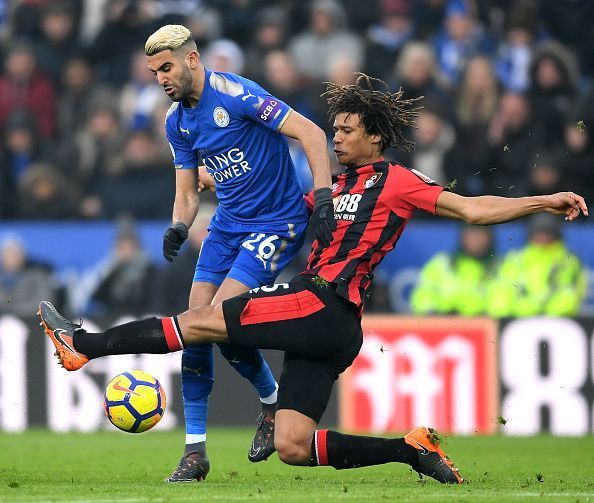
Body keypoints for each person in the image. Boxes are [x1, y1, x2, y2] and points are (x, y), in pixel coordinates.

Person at [38, 73, 588, 485]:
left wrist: (541, 201)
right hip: (326, 327)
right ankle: (410, 449)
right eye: (335, 130)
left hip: (323, 304)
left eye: (348, 131)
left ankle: (82, 346)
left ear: (375, 138)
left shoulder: (396, 182)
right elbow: (274, 206)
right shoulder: (325, 194)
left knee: (201, 322)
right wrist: (212, 178)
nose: (337, 139)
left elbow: (471, 210)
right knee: (295, 445)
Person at [140, 25, 334, 482]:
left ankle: (269, 403)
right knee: (194, 327)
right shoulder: (176, 121)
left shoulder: (237, 94)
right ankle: (196, 451)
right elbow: (187, 192)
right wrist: (178, 226)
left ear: (191, 59)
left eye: (166, 67)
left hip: (276, 222)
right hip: (226, 227)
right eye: (153, 72)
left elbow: (310, 133)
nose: (161, 78)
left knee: (217, 317)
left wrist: (322, 197)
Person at [486, 212, 587, 317]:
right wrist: (503, 317)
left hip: (555, 322)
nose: (542, 237)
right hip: (514, 320)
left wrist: (537, 315)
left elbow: (569, 294)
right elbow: (500, 288)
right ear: (531, 234)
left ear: (556, 235)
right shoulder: (515, 259)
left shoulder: (568, 261)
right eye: (539, 232)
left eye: (547, 233)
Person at [411, 225, 499, 316]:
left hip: (488, 326)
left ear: (490, 237)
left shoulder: (501, 267)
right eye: (471, 232)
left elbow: (504, 306)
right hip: (444, 326)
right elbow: (421, 300)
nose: (475, 238)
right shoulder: (441, 264)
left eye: (481, 233)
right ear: (462, 236)